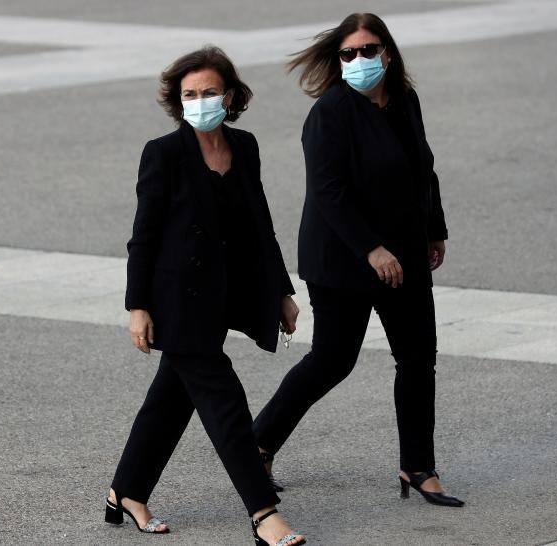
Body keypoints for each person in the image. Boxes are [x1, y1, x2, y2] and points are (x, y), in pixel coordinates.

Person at [252, 13, 464, 508]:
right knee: (332, 359)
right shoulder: (330, 112)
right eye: (349, 53)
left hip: (405, 255)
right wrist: (372, 248)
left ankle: (418, 466)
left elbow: (423, 170)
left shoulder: (405, 101)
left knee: (418, 360)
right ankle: (256, 444)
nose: (359, 60)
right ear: (338, 59)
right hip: (343, 260)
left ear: (387, 53)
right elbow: (328, 192)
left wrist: (434, 230)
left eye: (369, 50)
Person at [105, 46, 307, 546]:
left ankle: (125, 491)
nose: (199, 101)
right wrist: (137, 307)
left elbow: (261, 225)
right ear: (178, 101)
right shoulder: (164, 154)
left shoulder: (246, 147)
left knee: (169, 402)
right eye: (189, 94)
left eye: (209, 92)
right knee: (225, 403)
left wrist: (281, 291)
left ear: (230, 95)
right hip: (176, 301)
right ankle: (264, 514)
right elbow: (143, 236)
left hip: (220, 299)